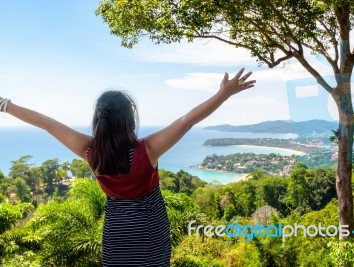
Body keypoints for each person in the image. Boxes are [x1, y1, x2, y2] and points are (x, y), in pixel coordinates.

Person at [0, 68, 255, 266]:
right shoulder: (148, 151)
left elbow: (47, 123)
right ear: (130, 120)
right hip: (151, 229)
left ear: (98, 121)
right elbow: (187, 121)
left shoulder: (90, 153)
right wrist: (223, 94)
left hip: (116, 232)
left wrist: (6, 105)